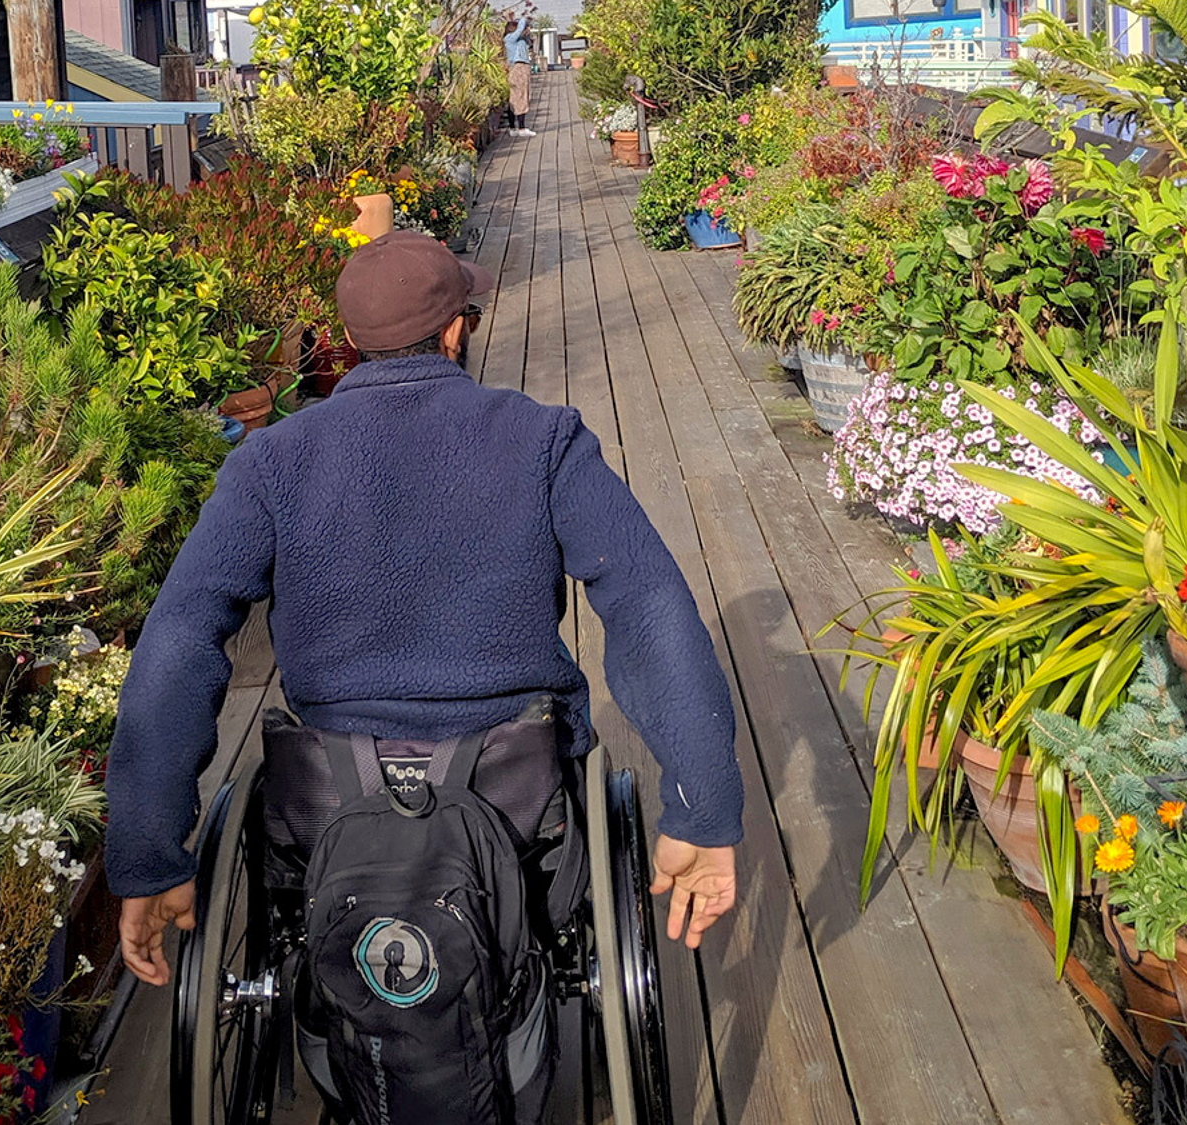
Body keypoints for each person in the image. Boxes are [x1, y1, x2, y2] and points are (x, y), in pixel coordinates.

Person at [109, 231, 743, 993]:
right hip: (516, 801)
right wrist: (702, 810)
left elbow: (180, 634)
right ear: (453, 331)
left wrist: (149, 852)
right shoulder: (542, 440)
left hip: (327, 804)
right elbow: (647, 602)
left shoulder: (270, 462)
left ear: (348, 341)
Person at [503, 14, 535, 136]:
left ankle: (514, 129)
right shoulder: (510, 38)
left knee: (519, 97)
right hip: (518, 68)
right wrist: (523, 19)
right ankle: (521, 128)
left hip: (522, 68)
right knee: (519, 97)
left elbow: (528, 42)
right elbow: (520, 28)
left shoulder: (520, 40)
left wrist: (527, 30)